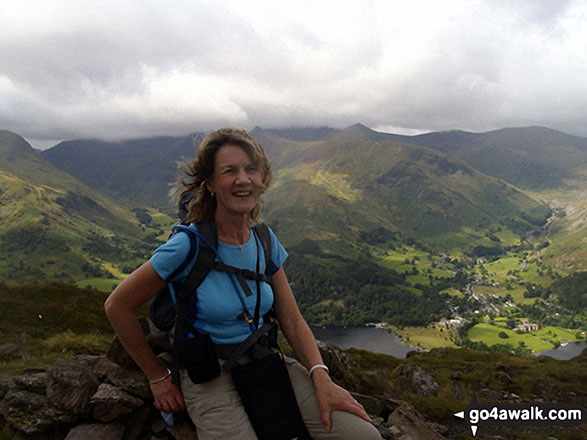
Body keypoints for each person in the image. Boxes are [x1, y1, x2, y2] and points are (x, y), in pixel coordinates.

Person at [104, 128, 382, 440]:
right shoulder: (187, 246)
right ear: (209, 183)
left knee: (363, 435)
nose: (243, 179)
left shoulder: (264, 240)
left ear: (263, 180)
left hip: (265, 363)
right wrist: (156, 376)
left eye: (251, 169)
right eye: (229, 171)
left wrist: (321, 378)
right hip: (208, 375)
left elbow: (291, 318)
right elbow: (117, 305)